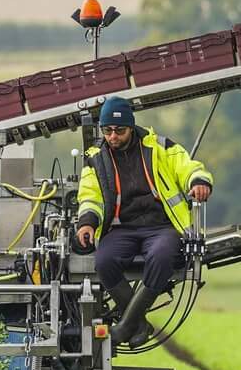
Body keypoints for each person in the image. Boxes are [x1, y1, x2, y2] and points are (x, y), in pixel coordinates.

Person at [73, 95, 213, 345]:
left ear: (131, 127)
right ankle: (139, 324)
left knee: (161, 257)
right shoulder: (95, 159)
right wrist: (87, 222)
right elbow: (89, 196)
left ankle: (127, 325)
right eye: (107, 131)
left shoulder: (160, 147)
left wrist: (199, 181)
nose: (113, 137)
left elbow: (188, 167)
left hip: (162, 227)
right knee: (104, 261)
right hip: (121, 229)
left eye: (119, 131)